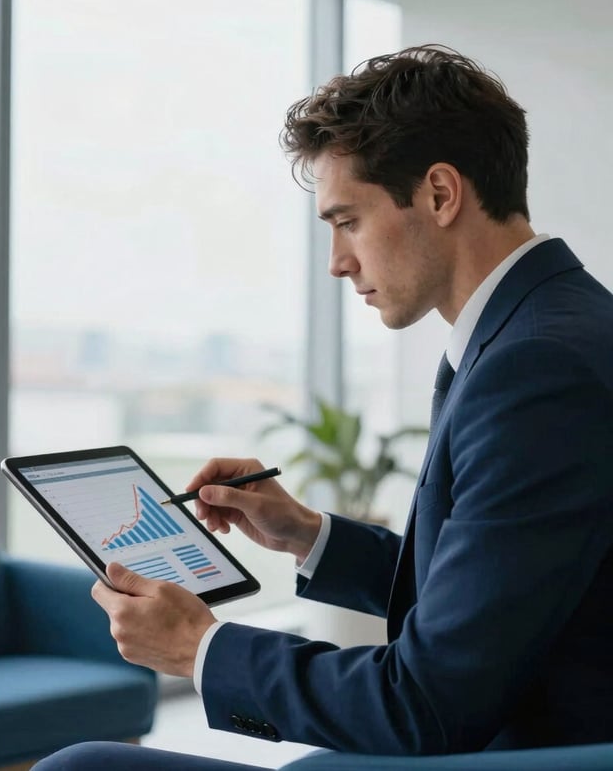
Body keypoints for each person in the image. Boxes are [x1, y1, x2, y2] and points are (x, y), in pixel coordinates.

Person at [34, 46, 613, 770]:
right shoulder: (542, 330)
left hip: (522, 753)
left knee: (82, 767)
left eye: (348, 221)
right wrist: (308, 534)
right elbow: (495, 589)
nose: (337, 261)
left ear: (439, 194)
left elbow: (425, 704)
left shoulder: (537, 368)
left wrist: (202, 649)